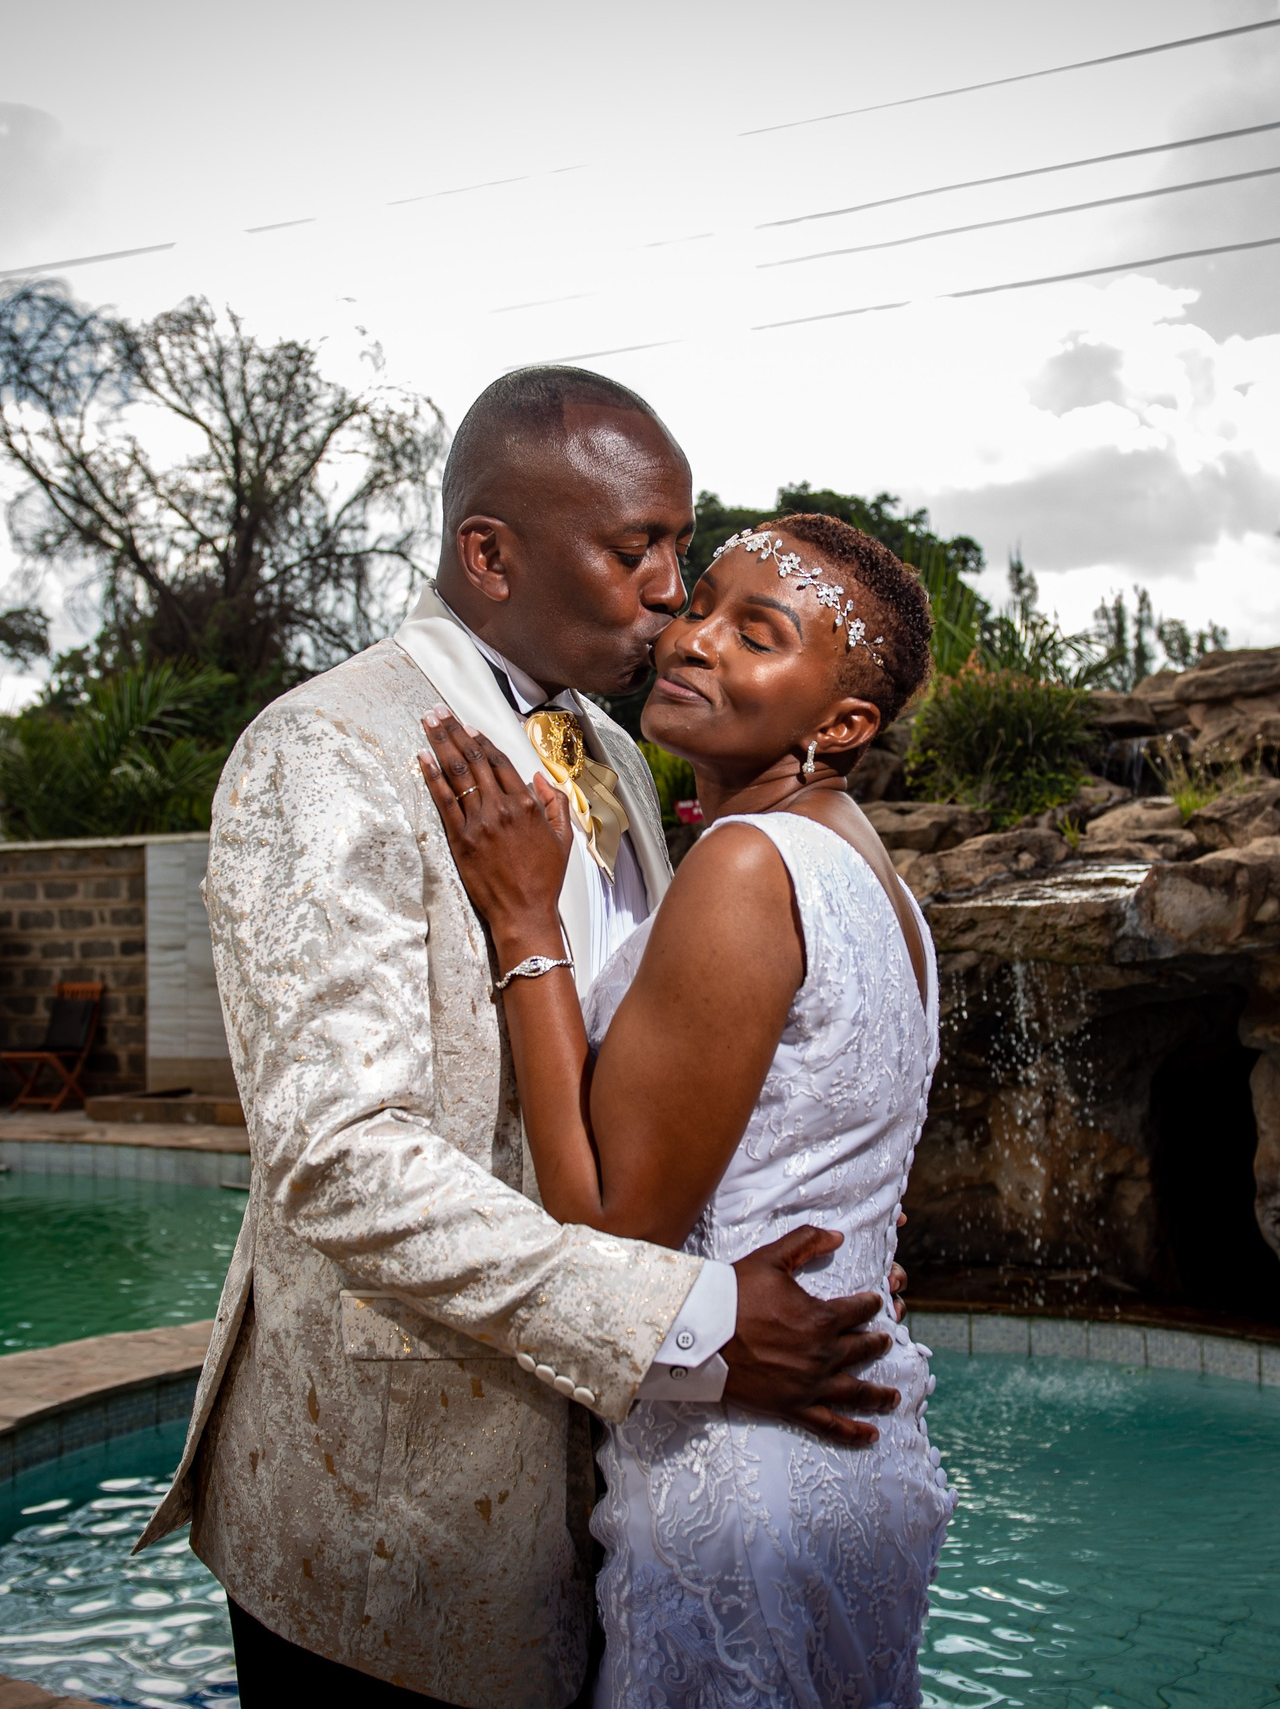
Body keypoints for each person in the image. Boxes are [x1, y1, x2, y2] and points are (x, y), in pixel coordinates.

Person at [134, 369, 907, 1709]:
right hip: (398, 1512)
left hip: (624, 1491)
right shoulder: (324, 749)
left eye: (682, 543)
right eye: (635, 549)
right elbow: (340, 1162)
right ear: (488, 554)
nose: (672, 587)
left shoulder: (617, 755)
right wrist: (697, 1318)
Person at [419, 511, 954, 1706]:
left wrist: (523, 922)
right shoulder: (883, 888)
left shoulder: (750, 864)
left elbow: (608, 1222)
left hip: (740, 1470)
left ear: (845, 721)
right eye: (701, 604)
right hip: (857, 1446)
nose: (693, 639)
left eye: (754, 634)